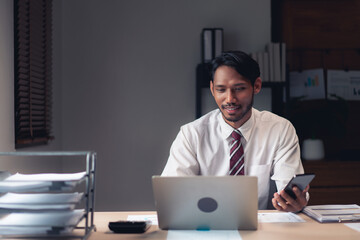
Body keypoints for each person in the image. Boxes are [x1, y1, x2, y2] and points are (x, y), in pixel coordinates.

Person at [161, 50, 309, 212]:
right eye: (221, 89)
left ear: (257, 86)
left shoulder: (280, 130)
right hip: (207, 229)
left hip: (261, 231)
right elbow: (172, 195)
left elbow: (290, 189)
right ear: (212, 89)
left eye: (239, 89)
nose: (230, 99)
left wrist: (295, 201)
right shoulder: (191, 134)